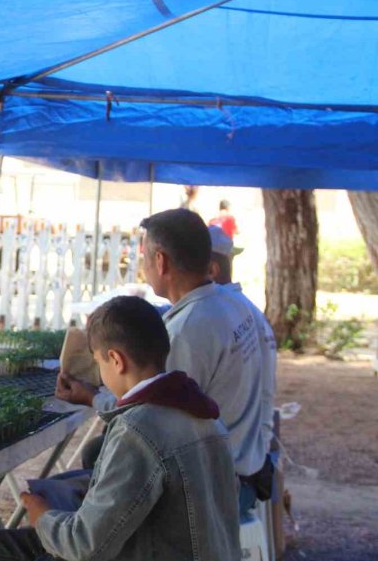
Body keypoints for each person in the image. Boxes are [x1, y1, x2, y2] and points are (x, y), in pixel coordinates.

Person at [0, 296, 240, 561]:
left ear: (116, 360)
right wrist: (91, 397)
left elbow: (84, 546)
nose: (100, 373)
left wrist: (42, 516)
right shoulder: (203, 412)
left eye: (99, 362)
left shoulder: (138, 433)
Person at [69, 209, 267, 510]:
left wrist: (91, 397)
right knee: (99, 451)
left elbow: (145, 416)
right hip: (246, 456)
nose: (143, 266)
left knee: (105, 461)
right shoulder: (233, 302)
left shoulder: (185, 333)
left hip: (218, 482)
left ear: (160, 261)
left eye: (145, 257)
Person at [209, 224, 277, 511]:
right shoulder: (245, 310)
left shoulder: (216, 316)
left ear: (210, 269)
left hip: (237, 466)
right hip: (251, 452)